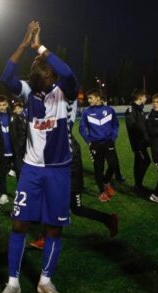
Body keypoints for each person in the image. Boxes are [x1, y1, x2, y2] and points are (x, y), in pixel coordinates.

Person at [0, 21, 78, 293]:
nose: (40, 82)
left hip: (58, 170)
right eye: (36, 77)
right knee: (19, 224)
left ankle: (45, 280)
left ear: (50, 77)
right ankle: (13, 282)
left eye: (43, 77)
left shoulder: (64, 92)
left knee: (54, 228)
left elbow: (68, 72)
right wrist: (23, 43)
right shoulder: (29, 93)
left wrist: (41, 47)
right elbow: (5, 75)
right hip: (31, 169)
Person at [29, 100, 119, 249]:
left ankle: (46, 238)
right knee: (76, 209)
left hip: (70, 177)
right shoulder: (56, 132)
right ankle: (108, 220)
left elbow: (68, 161)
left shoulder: (64, 137)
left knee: (53, 205)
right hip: (66, 176)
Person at [79, 89, 119, 202]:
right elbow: (82, 128)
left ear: (98, 98)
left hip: (108, 142)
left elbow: (115, 125)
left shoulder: (110, 110)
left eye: (91, 98)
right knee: (98, 169)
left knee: (113, 165)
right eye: (89, 98)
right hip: (95, 144)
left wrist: (113, 137)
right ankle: (102, 192)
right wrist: (88, 141)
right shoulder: (86, 112)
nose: (89, 100)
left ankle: (106, 182)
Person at [125, 89, 151, 195]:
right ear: (140, 97)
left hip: (142, 142)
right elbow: (132, 125)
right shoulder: (131, 109)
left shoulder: (139, 109)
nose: (146, 99)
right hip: (138, 143)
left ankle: (138, 185)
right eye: (145, 97)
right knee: (145, 161)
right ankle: (137, 186)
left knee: (140, 162)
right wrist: (142, 134)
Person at [7, 100, 27, 182]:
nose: (18, 110)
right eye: (16, 108)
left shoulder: (22, 117)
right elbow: (14, 136)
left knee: (23, 169)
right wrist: (17, 149)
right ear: (14, 110)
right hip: (18, 149)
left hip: (23, 148)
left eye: (20, 108)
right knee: (20, 171)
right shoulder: (14, 119)